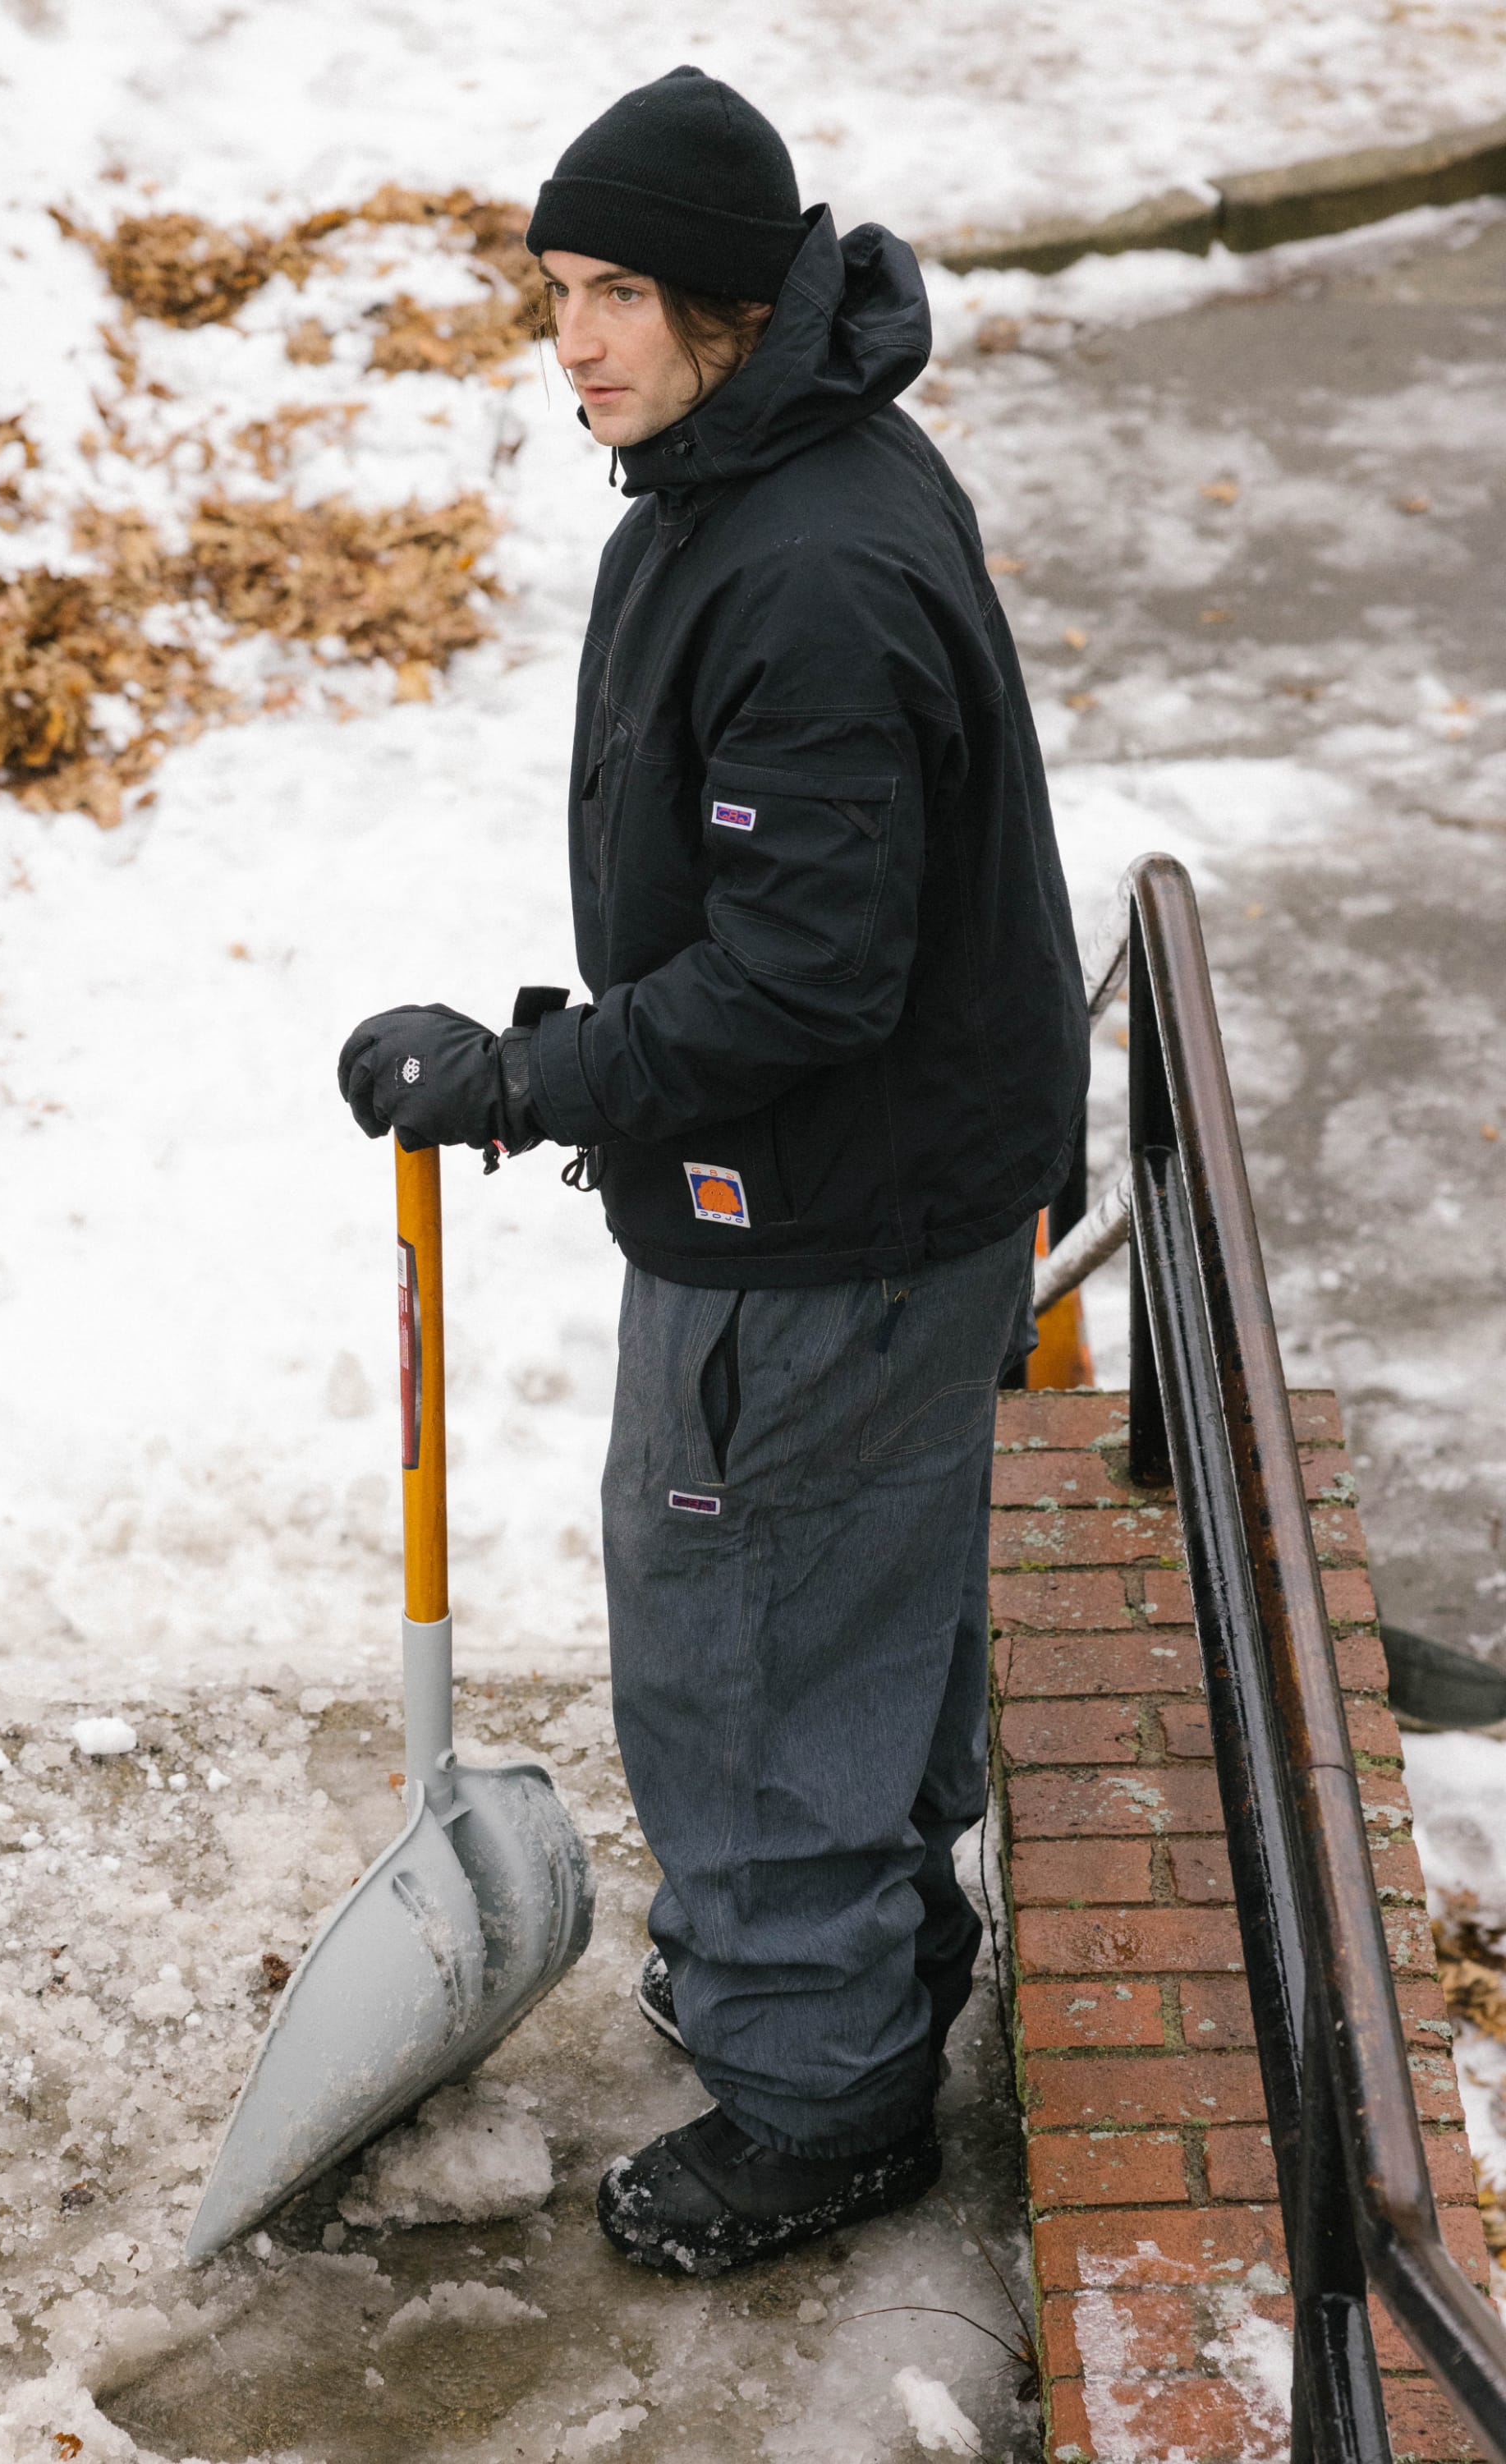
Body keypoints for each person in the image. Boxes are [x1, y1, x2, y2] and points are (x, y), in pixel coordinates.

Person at [337, 64, 1088, 2278]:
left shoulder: (809, 567)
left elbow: (803, 979)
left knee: (748, 1649)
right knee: (842, 1628)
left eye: (621, 292)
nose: (573, 335)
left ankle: (822, 2102)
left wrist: (524, 1078)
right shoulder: (764, 476)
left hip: (833, 1214)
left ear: (740, 304)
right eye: (558, 289)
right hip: (869, 1184)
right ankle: (845, 1995)